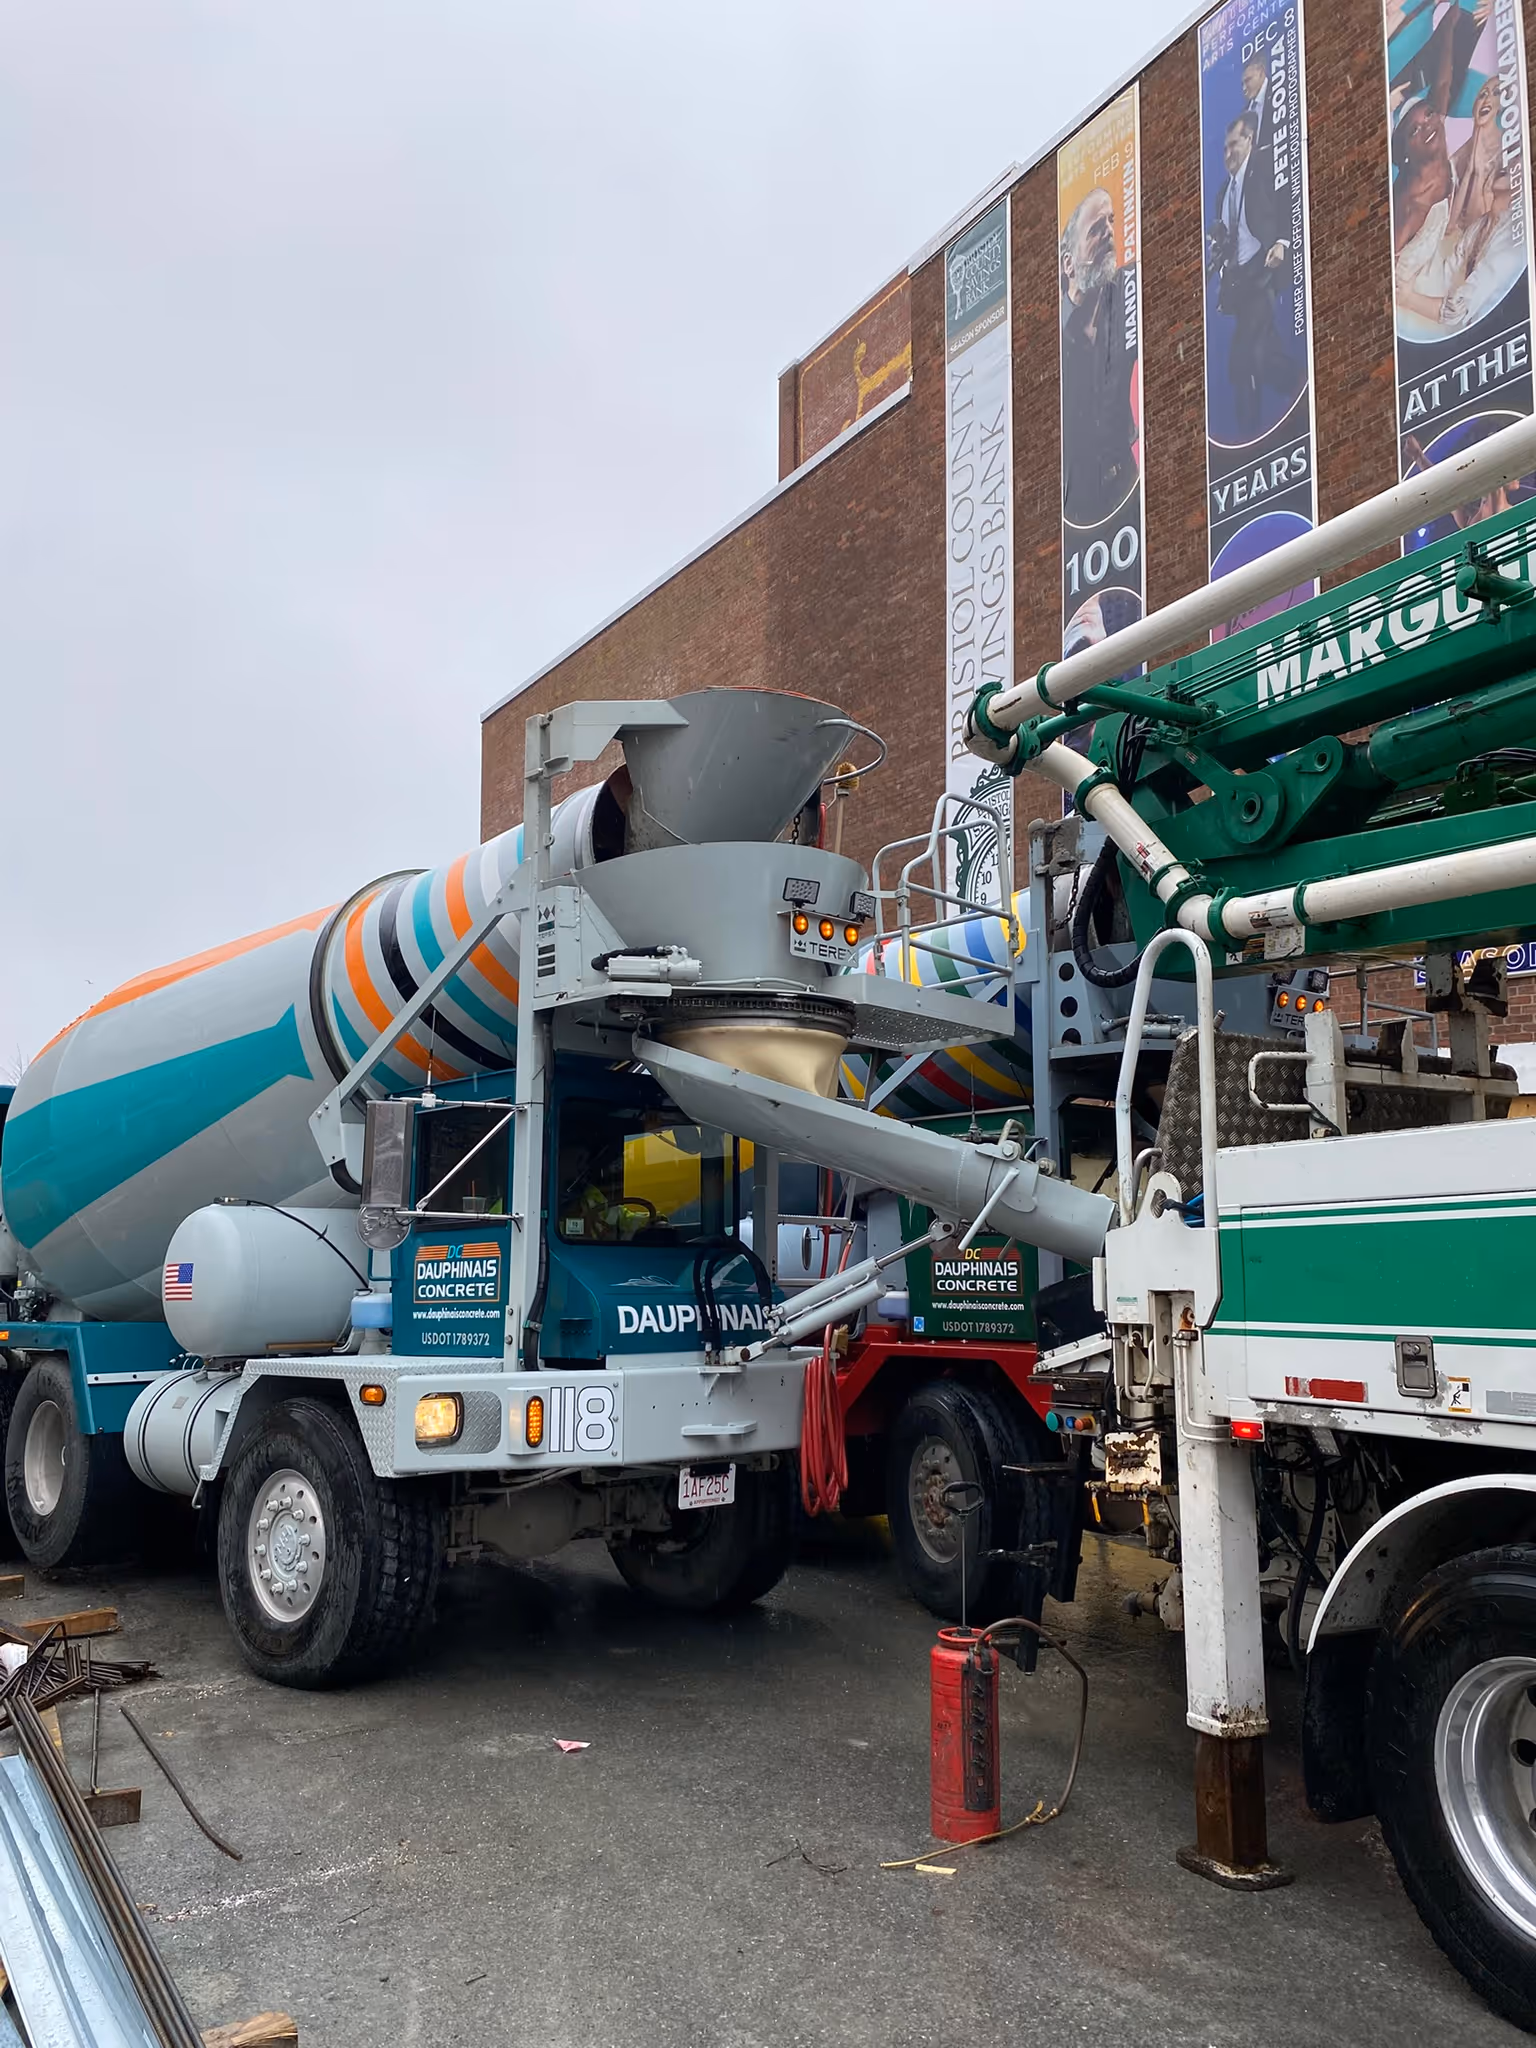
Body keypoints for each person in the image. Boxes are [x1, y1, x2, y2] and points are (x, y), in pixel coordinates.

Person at [1208, 111, 1293, 437]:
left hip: (1264, 272)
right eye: (1225, 149)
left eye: (1234, 145)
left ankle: (1250, 431)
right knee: (1257, 358)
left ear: (1249, 140)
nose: (1229, 154)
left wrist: (1282, 243)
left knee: (1246, 359)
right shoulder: (1221, 194)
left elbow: (1286, 201)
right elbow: (1227, 241)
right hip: (1240, 285)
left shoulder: (1264, 169)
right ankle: (1295, 382)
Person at [1059, 186, 1139, 528]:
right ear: (1069, 263)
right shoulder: (1058, 337)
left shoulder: (1128, 291)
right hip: (1079, 512)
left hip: (1129, 482)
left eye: (1112, 221)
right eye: (1096, 229)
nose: (1109, 232)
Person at [1242, 54, 1274, 152]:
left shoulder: (1278, 91)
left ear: (1260, 72)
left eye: (1248, 81)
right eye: (1242, 84)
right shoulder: (1245, 112)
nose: (1244, 88)